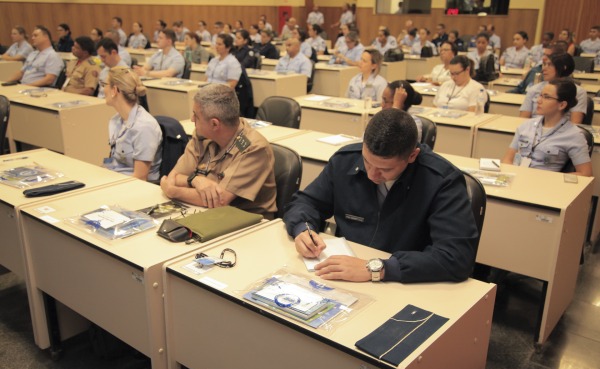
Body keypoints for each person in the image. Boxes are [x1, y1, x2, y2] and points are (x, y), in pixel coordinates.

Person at [283, 108, 478, 283]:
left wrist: (378, 268)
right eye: (367, 162)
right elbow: (306, 202)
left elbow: (457, 257)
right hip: (341, 275)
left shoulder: (442, 181)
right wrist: (303, 228)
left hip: (406, 282)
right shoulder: (345, 160)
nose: (371, 175)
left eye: (385, 169)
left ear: (412, 156)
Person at [160, 84, 277, 218]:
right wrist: (195, 180)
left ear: (214, 124)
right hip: (205, 213)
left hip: (246, 220)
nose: (192, 119)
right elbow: (174, 177)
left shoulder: (254, 148)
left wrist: (174, 192)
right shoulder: (202, 136)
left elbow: (220, 200)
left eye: (196, 116)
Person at [502, 78, 592, 176]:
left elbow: (585, 173)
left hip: (544, 187)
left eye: (547, 97)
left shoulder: (574, 135)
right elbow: (507, 159)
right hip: (516, 180)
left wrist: (554, 180)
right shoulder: (526, 126)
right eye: (540, 95)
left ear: (562, 105)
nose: (538, 101)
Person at [103, 67, 162, 181]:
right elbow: (113, 160)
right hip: (116, 177)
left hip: (133, 186)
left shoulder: (144, 127)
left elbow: (140, 177)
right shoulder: (115, 121)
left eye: (104, 84)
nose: (103, 89)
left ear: (114, 90)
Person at [519, 52, 587, 124]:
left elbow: (575, 124)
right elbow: (522, 120)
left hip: (563, 132)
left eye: (550, 65)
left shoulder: (578, 92)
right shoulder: (534, 89)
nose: (544, 69)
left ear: (564, 67)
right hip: (533, 129)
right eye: (544, 64)